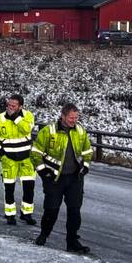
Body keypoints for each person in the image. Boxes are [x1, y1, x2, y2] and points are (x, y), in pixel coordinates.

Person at [31, 103, 94, 254]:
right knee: (51, 210)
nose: (74, 120)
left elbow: (87, 151)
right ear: (63, 116)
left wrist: (85, 167)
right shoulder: (48, 131)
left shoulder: (80, 131)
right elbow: (35, 153)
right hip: (54, 179)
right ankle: (43, 235)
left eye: (76, 117)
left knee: (74, 211)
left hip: (75, 178)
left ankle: (72, 242)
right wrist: (44, 173)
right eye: (71, 118)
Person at [0, 94, 37, 225]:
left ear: (20, 106)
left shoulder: (28, 116)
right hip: (8, 159)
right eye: (9, 105)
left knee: (29, 187)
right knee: (9, 188)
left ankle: (27, 214)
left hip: (26, 159)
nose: (10, 108)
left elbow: (26, 129)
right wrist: (2, 154)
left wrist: (15, 118)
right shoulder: (0, 119)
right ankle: (10, 214)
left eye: (13, 106)